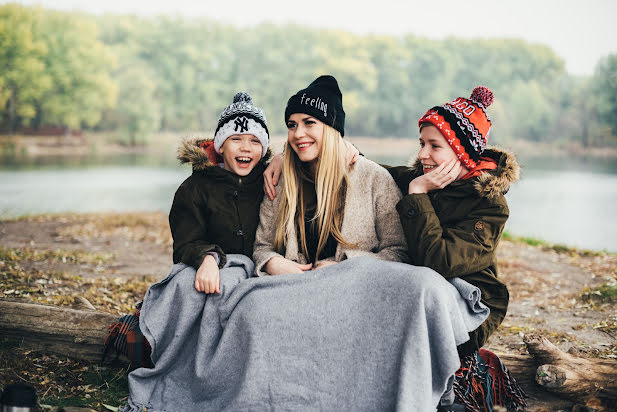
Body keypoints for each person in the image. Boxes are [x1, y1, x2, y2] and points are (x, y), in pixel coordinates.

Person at [389, 86, 518, 359]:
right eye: (422, 144)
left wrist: (418, 194)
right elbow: (368, 169)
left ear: (463, 153)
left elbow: (439, 261)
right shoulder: (423, 176)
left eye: (435, 146)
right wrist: (284, 158)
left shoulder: (490, 206)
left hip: (471, 304)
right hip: (423, 293)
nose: (423, 154)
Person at [253, 74, 407, 276]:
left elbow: (399, 252)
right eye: (292, 125)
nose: (298, 133)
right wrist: (271, 262)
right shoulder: (281, 179)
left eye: (309, 122)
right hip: (291, 290)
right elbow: (262, 246)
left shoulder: (374, 179)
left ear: (332, 128)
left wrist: (346, 267)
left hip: (353, 291)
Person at [169, 91, 270, 294]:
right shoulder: (194, 188)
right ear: (221, 146)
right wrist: (207, 258)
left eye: (255, 141)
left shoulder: (271, 181)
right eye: (236, 139)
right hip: (218, 274)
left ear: (264, 148)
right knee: (184, 282)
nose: (246, 148)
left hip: (263, 273)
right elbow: (185, 243)